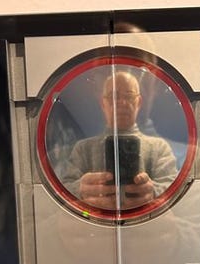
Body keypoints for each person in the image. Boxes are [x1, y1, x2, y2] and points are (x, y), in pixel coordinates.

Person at [62, 71, 178, 210]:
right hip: (93, 221)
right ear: (103, 103)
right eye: (113, 96)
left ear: (139, 102)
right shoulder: (83, 148)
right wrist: (80, 189)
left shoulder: (159, 147)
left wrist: (152, 192)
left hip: (149, 221)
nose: (122, 102)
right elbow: (64, 189)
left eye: (129, 96)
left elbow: (173, 187)